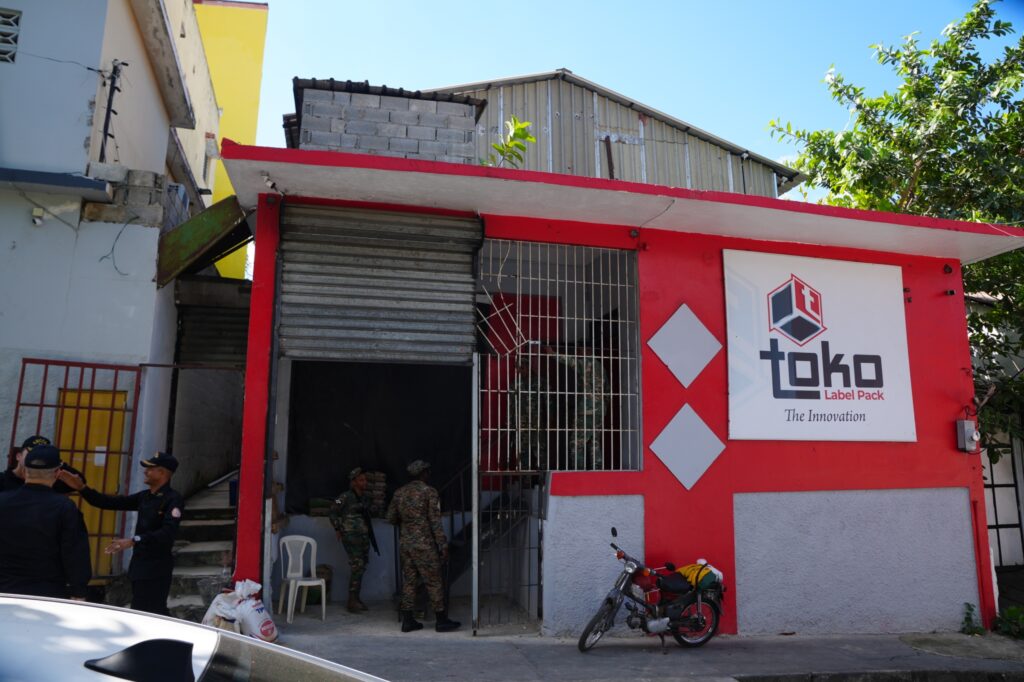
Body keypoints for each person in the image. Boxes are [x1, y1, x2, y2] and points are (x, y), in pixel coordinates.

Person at [58, 451, 184, 615]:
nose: (145, 472)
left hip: (157, 567)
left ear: (162, 473)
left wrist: (134, 540)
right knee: (143, 611)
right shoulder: (145, 497)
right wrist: (82, 488)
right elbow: (108, 502)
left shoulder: (173, 499)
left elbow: (168, 533)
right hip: (139, 566)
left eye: (150, 469)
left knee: (152, 612)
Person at [0, 445, 91, 599]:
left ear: (25, 470)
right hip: (46, 593)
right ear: (57, 473)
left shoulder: (3, 501)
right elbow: (74, 553)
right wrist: (78, 591)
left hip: (4, 590)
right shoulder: (64, 507)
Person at [385, 460, 460, 633]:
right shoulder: (429, 492)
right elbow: (435, 521)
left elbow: (390, 518)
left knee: (409, 582)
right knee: (434, 580)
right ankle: (441, 620)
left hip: (406, 545)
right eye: (427, 471)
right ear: (423, 473)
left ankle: (407, 621)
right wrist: (442, 544)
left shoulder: (399, 493)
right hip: (424, 545)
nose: (429, 474)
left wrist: (407, 523)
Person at [329, 467, 380, 613]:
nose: (365, 482)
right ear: (353, 482)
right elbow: (332, 511)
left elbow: (372, 512)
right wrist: (337, 528)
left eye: (365, 480)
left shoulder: (365, 498)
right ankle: (352, 601)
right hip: (351, 536)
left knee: (361, 566)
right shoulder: (344, 497)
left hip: (363, 536)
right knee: (358, 565)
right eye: (361, 480)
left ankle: (356, 598)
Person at [2, 435, 87, 494]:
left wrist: (58, 463)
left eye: (43, 456)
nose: (37, 458)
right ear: (18, 456)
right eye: (32, 453)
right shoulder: (2, 480)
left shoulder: (49, 482)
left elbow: (79, 482)